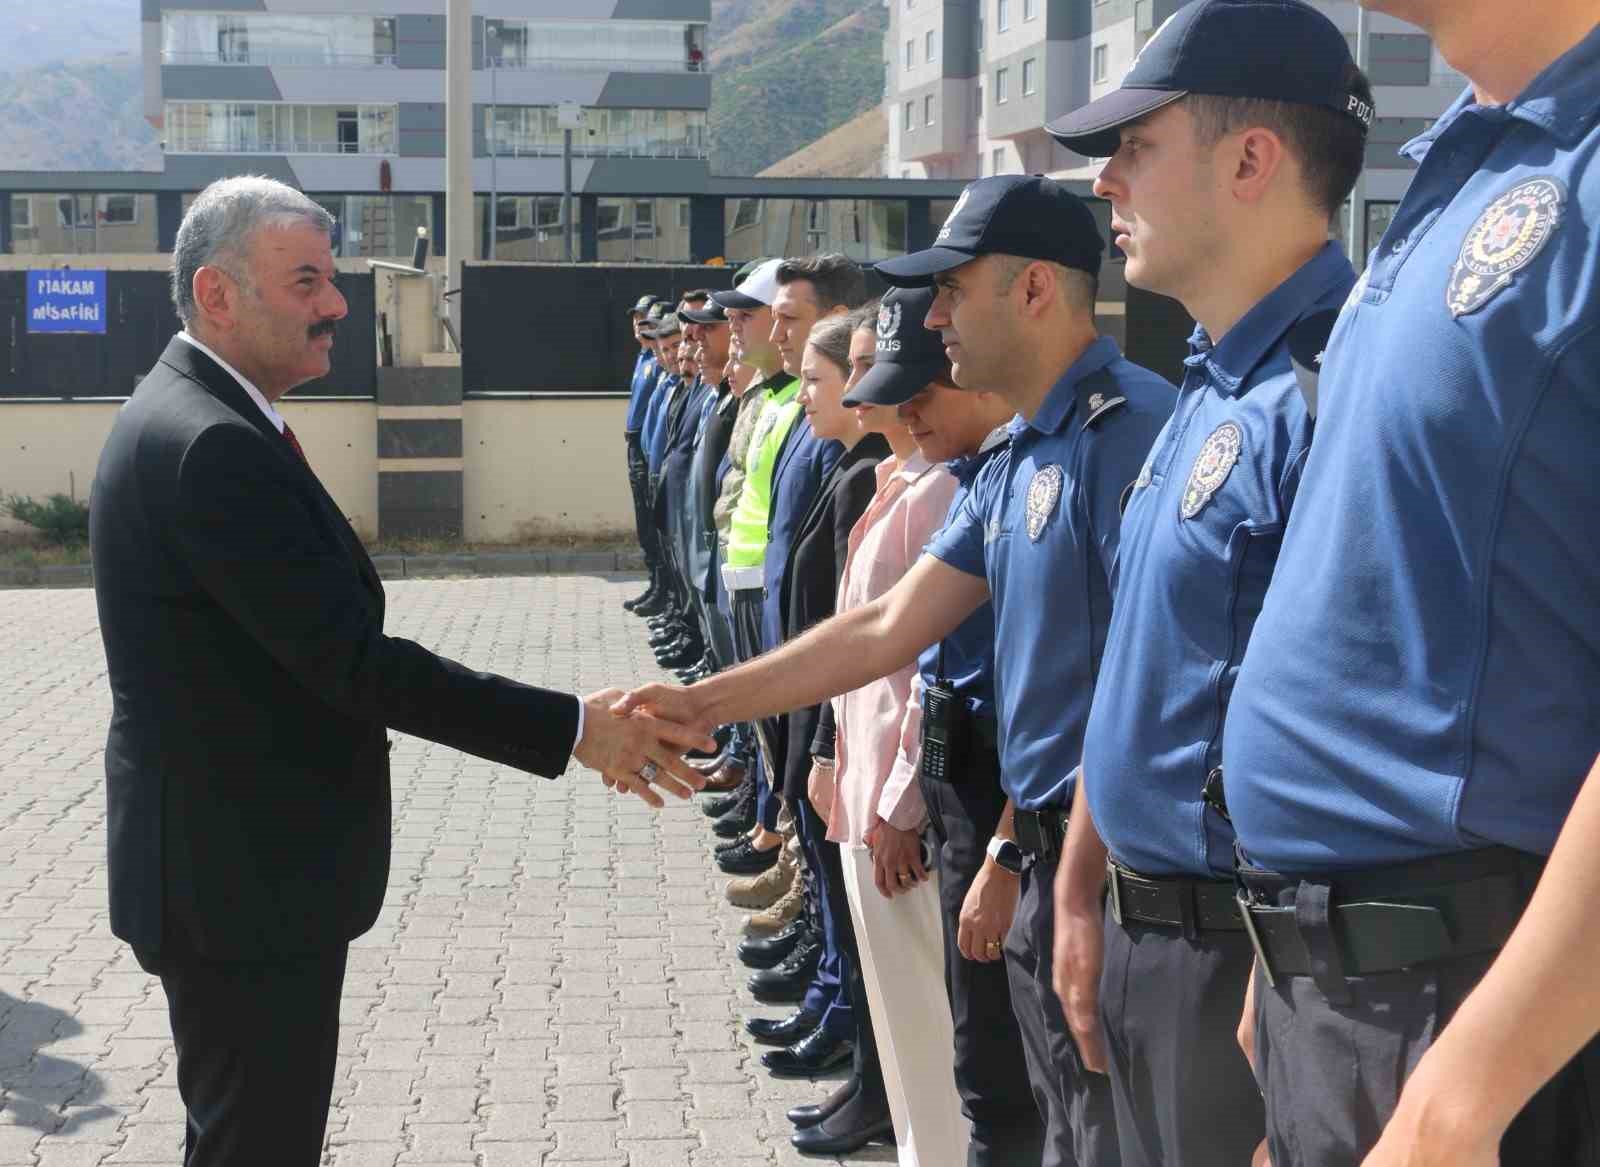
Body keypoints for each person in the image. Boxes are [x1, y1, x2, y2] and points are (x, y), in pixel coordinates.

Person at [88, 176, 709, 1167]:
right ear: (217, 294)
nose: (336, 303)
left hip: (232, 875)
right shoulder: (210, 444)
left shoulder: (197, 415)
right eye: (305, 282)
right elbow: (352, 664)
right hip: (240, 886)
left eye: (330, 279)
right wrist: (575, 727)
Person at [619, 175, 1175, 1167]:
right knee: (1030, 1119)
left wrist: (1014, 857)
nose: (935, 318)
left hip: (1116, 883)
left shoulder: (1133, 436)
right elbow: (884, 625)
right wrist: (697, 703)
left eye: (954, 291)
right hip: (1049, 871)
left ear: (1036, 290)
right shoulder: (1014, 457)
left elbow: (1143, 694)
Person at [1213, 1, 1600, 1163]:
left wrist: (1466, 1088)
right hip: (1350, 987)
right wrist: (1287, 958)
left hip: (1480, 1014)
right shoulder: (1461, 160)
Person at [1038, 2, 1369, 1164]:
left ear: (1249, 159)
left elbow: (1350, 719)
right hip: (1141, 937)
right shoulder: (1207, 392)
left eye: (1135, 148)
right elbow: (1146, 666)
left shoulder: (1341, 396)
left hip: (1245, 967)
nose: (1104, 184)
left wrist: (1297, 995)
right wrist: (1081, 887)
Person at [862, 295, 1043, 1166]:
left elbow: (1065, 697)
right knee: (979, 1054)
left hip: (1004, 791)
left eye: (921, 395)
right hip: (954, 780)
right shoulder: (975, 479)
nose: (908, 417)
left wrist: (1007, 847)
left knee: (1003, 1075)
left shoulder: (1025, 479)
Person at [806, 286, 971, 1165]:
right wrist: (833, 756)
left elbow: (929, 671)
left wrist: (899, 804)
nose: (872, 387)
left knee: (930, 1034)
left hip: (896, 814)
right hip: (863, 793)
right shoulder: (895, 481)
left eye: (877, 368)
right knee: (901, 1024)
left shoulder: (943, 491)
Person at [764, 310, 894, 1154]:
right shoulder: (856, 471)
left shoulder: (876, 478)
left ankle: (874, 1086)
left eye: (832, 373)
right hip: (823, 724)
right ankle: (867, 1079)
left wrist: (817, 748)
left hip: (851, 740)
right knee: (844, 914)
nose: (821, 390)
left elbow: (864, 637)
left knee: (871, 940)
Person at [622, 294, 665, 612]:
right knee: (644, 524)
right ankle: (656, 586)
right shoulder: (643, 358)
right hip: (637, 443)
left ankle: (664, 592)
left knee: (655, 527)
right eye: (638, 320)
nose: (641, 327)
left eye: (648, 322)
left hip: (650, 451)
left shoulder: (659, 363)